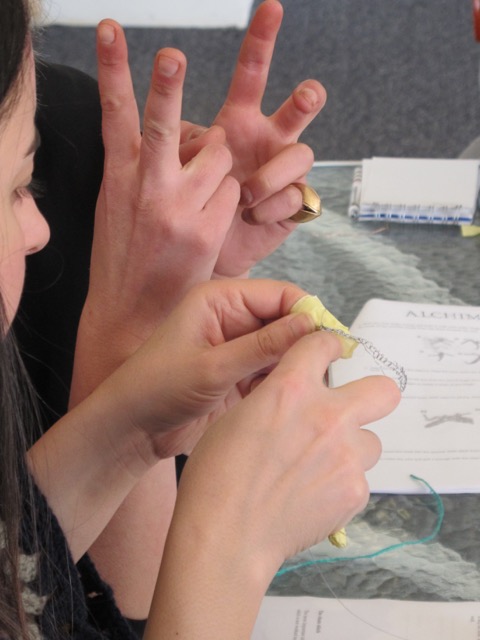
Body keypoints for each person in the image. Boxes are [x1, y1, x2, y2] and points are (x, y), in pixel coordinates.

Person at [1, 0, 400, 638]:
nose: (39, 228)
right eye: (19, 187)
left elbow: (45, 584)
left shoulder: (67, 122)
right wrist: (228, 546)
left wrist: (139, 410)